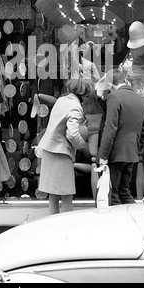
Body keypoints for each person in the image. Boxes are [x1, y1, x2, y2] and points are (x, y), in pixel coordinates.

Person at [37, 77, 93, 214]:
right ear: (84, 94)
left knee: (53, 194)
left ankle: (53, 223)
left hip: (49, 149)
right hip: (61, 153)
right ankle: (66, 227)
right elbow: (73, 134)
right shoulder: (75, 107)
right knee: (67, 195)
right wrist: (82, 145)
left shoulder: (62, 101)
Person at [97, 68, 144, 205]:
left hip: (115, 154)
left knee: (113, 195)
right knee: (124, 191)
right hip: (131, 154)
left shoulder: (114, 97)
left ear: (110, 85)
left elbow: (110, 129)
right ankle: (135, 219)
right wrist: (136, 152)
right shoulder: (141, 101)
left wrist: (103, 156)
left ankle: (119, 224)